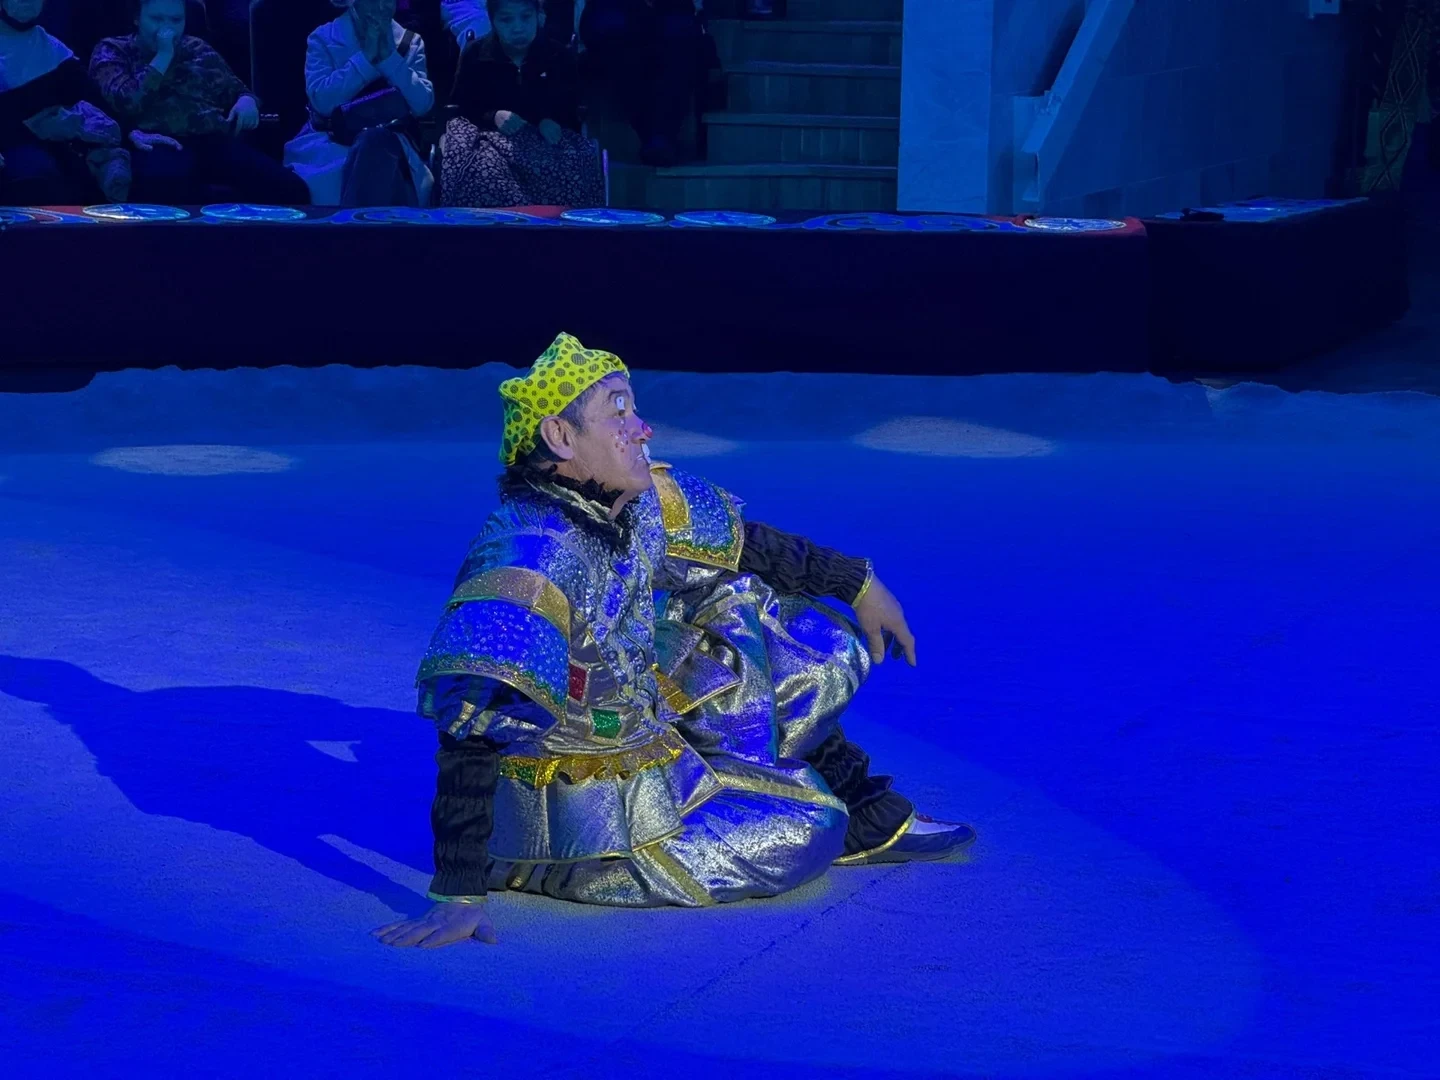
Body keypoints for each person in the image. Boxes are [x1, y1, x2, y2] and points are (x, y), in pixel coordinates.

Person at [374, 333, 973, 949]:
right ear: (560, 437)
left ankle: (852, 808)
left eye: (633, 409)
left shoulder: (630, 507)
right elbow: (472, 723)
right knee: (810, 824)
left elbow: (745, 546)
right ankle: (542, 867)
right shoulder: (532, 556)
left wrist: (858, 584)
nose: (643, 429)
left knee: (789, 627)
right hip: (585, 815)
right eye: (618, 412)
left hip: (648, 730)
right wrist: (459, 889)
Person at [89, 0, 308, 204]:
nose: (167, 28)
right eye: (156, 19)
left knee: (291, 190)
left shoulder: (196, 48)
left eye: (176, 20)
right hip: (155, 140)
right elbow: (126, 102)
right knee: (167, 187)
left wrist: (246, 100)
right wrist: (163, 56)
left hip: (212, 139)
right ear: (137, 18)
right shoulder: (113, 51)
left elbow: (237, 90)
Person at [442, 0, 601, 207]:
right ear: (493, 21)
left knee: (572, 165)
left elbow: (573, 107)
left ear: (538, 16)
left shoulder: (559, 56)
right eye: (506, 20)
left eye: (526, 17)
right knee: (480, 170)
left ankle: (553, 225)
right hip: (489, 139)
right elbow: (461, 106)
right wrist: (493, 116)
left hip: (546, 139)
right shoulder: (476, 54)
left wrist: (551, 119)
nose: (518, 28)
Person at [284, 0, 435, 207]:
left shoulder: (411, 41)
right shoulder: (323, 37)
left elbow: (422, 105)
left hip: (390, 145)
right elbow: (322, 102)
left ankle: (354, 225)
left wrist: (389, 59)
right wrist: (365, 60)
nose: (381, 8)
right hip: (330, 144)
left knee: (375, 142)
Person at [1, 0, 131, 204]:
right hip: (15, 149)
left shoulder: (53, 50)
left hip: (55, 147)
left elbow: (92, 98)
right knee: (36, 170)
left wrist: (131, 132)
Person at [578, 0, 709, 167]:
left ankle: (660, 138)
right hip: (617, 25)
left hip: (661, 24)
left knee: (680, 39)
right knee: (620, 46)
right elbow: (596, 25)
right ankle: (656, 137)